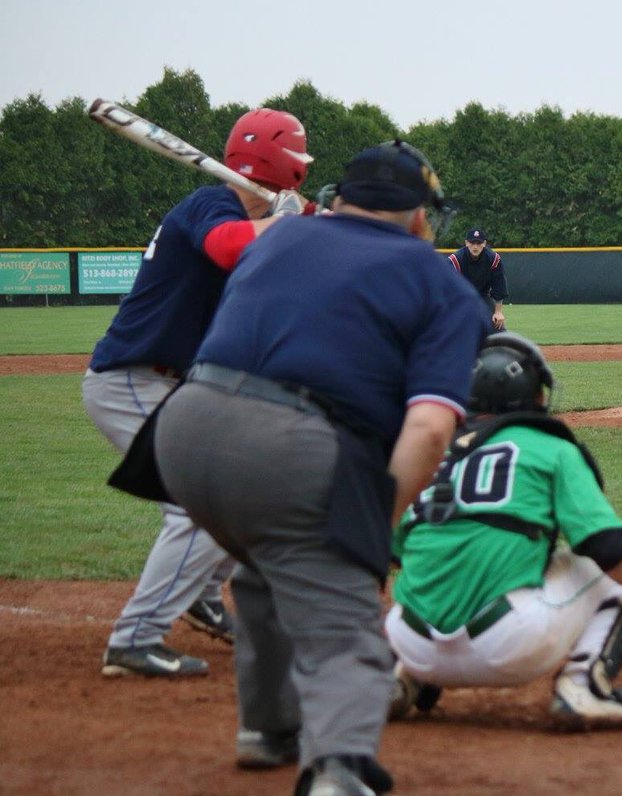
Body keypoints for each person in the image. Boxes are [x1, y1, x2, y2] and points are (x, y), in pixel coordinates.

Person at [153, 140, 490, 795]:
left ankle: (268, 729)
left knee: (267, 570)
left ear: (338, 200)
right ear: (421, 218)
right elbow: (428, 426)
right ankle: (339, 769)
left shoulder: (276, 243)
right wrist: (371, 523)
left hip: (183, 431)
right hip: (290, 445)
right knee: (345, 628)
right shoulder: (440, 285)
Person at [84, 108, 314, 678]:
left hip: (176, 386)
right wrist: (284, 223)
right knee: (196, 507)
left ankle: (200, 594)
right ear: (285, 166)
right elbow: (228, 247)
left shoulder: (266, 218)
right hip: (131, 381)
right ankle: (134, 640)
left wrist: (311, 221)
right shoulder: (209, 206)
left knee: (239, 491)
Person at [384, 332, 622, 731]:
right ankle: (582, 687)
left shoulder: (432, 450)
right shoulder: (551, 448)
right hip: (507, 646)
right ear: (536, 395)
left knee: (434, 561)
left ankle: (403, 675)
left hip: (411, 642)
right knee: (605, 569)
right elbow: (608, 545)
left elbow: (392, 552)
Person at [448, 227, 509, 330]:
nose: (475, 246)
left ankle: (500, 345)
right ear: (466, 243)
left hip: (483, 296)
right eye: (472, 243)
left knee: (499, 327)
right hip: (461, 298)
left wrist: (498, 312)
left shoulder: (493, 259)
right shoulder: (456, 260)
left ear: (484, 243)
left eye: (479, 243)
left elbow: (499, 286)